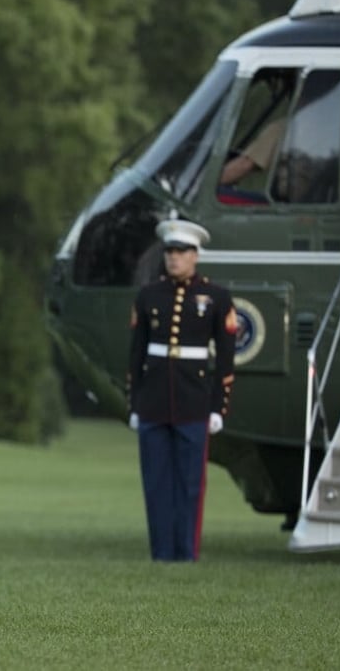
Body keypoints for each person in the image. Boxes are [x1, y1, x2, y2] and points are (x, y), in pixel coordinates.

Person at [127, 215, 237, 562]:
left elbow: (225, 360)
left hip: (194, 402)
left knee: (190, 484)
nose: (174, 258)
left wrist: (218, 407)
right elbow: (136, 355)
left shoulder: (216, 297)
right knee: (156, 482)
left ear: (195, 255)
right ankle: (161, 552)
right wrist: (134, 403)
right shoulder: (148, 296)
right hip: (154, 401)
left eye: (181, 251)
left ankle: (186, 552)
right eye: (170, 252)